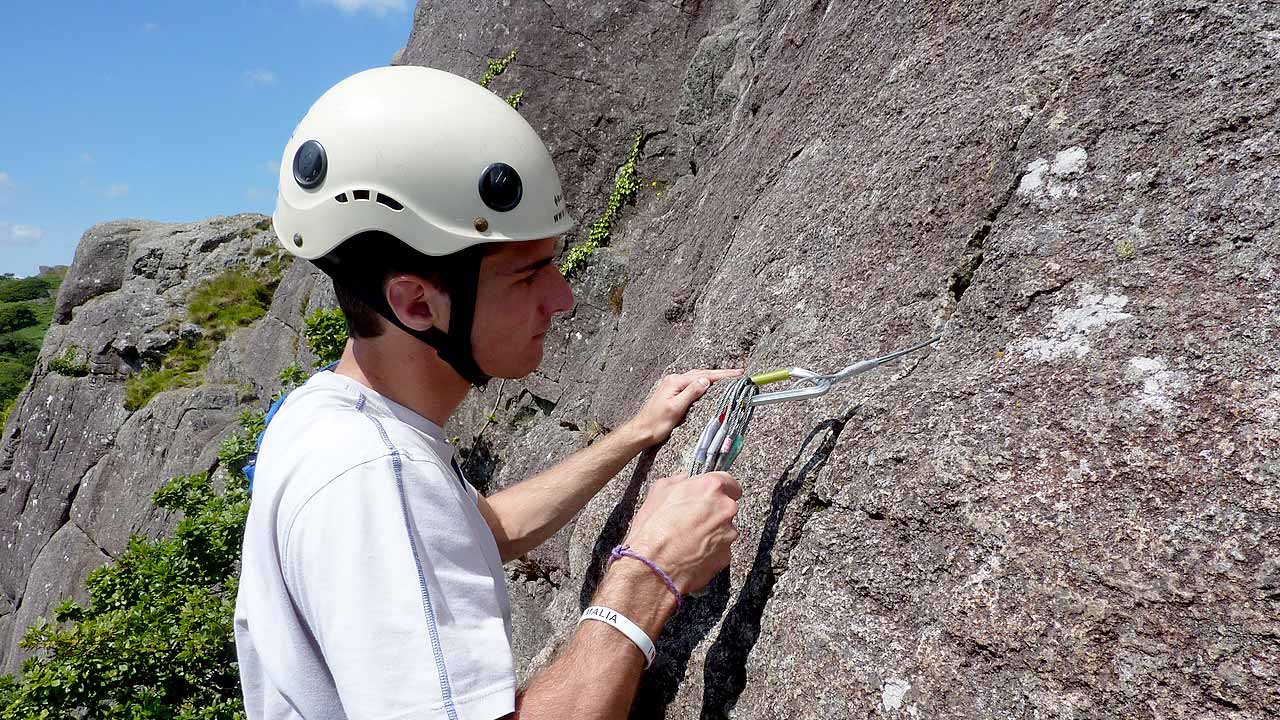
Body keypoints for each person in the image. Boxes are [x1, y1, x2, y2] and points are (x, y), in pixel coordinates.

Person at [233, 64, 743, 719]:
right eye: (529, 275)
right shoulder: (370, 474)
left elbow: (479, 532)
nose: (561, 298)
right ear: (418, 302)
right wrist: (649, 573)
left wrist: (638, 433)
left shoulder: (323, 415)